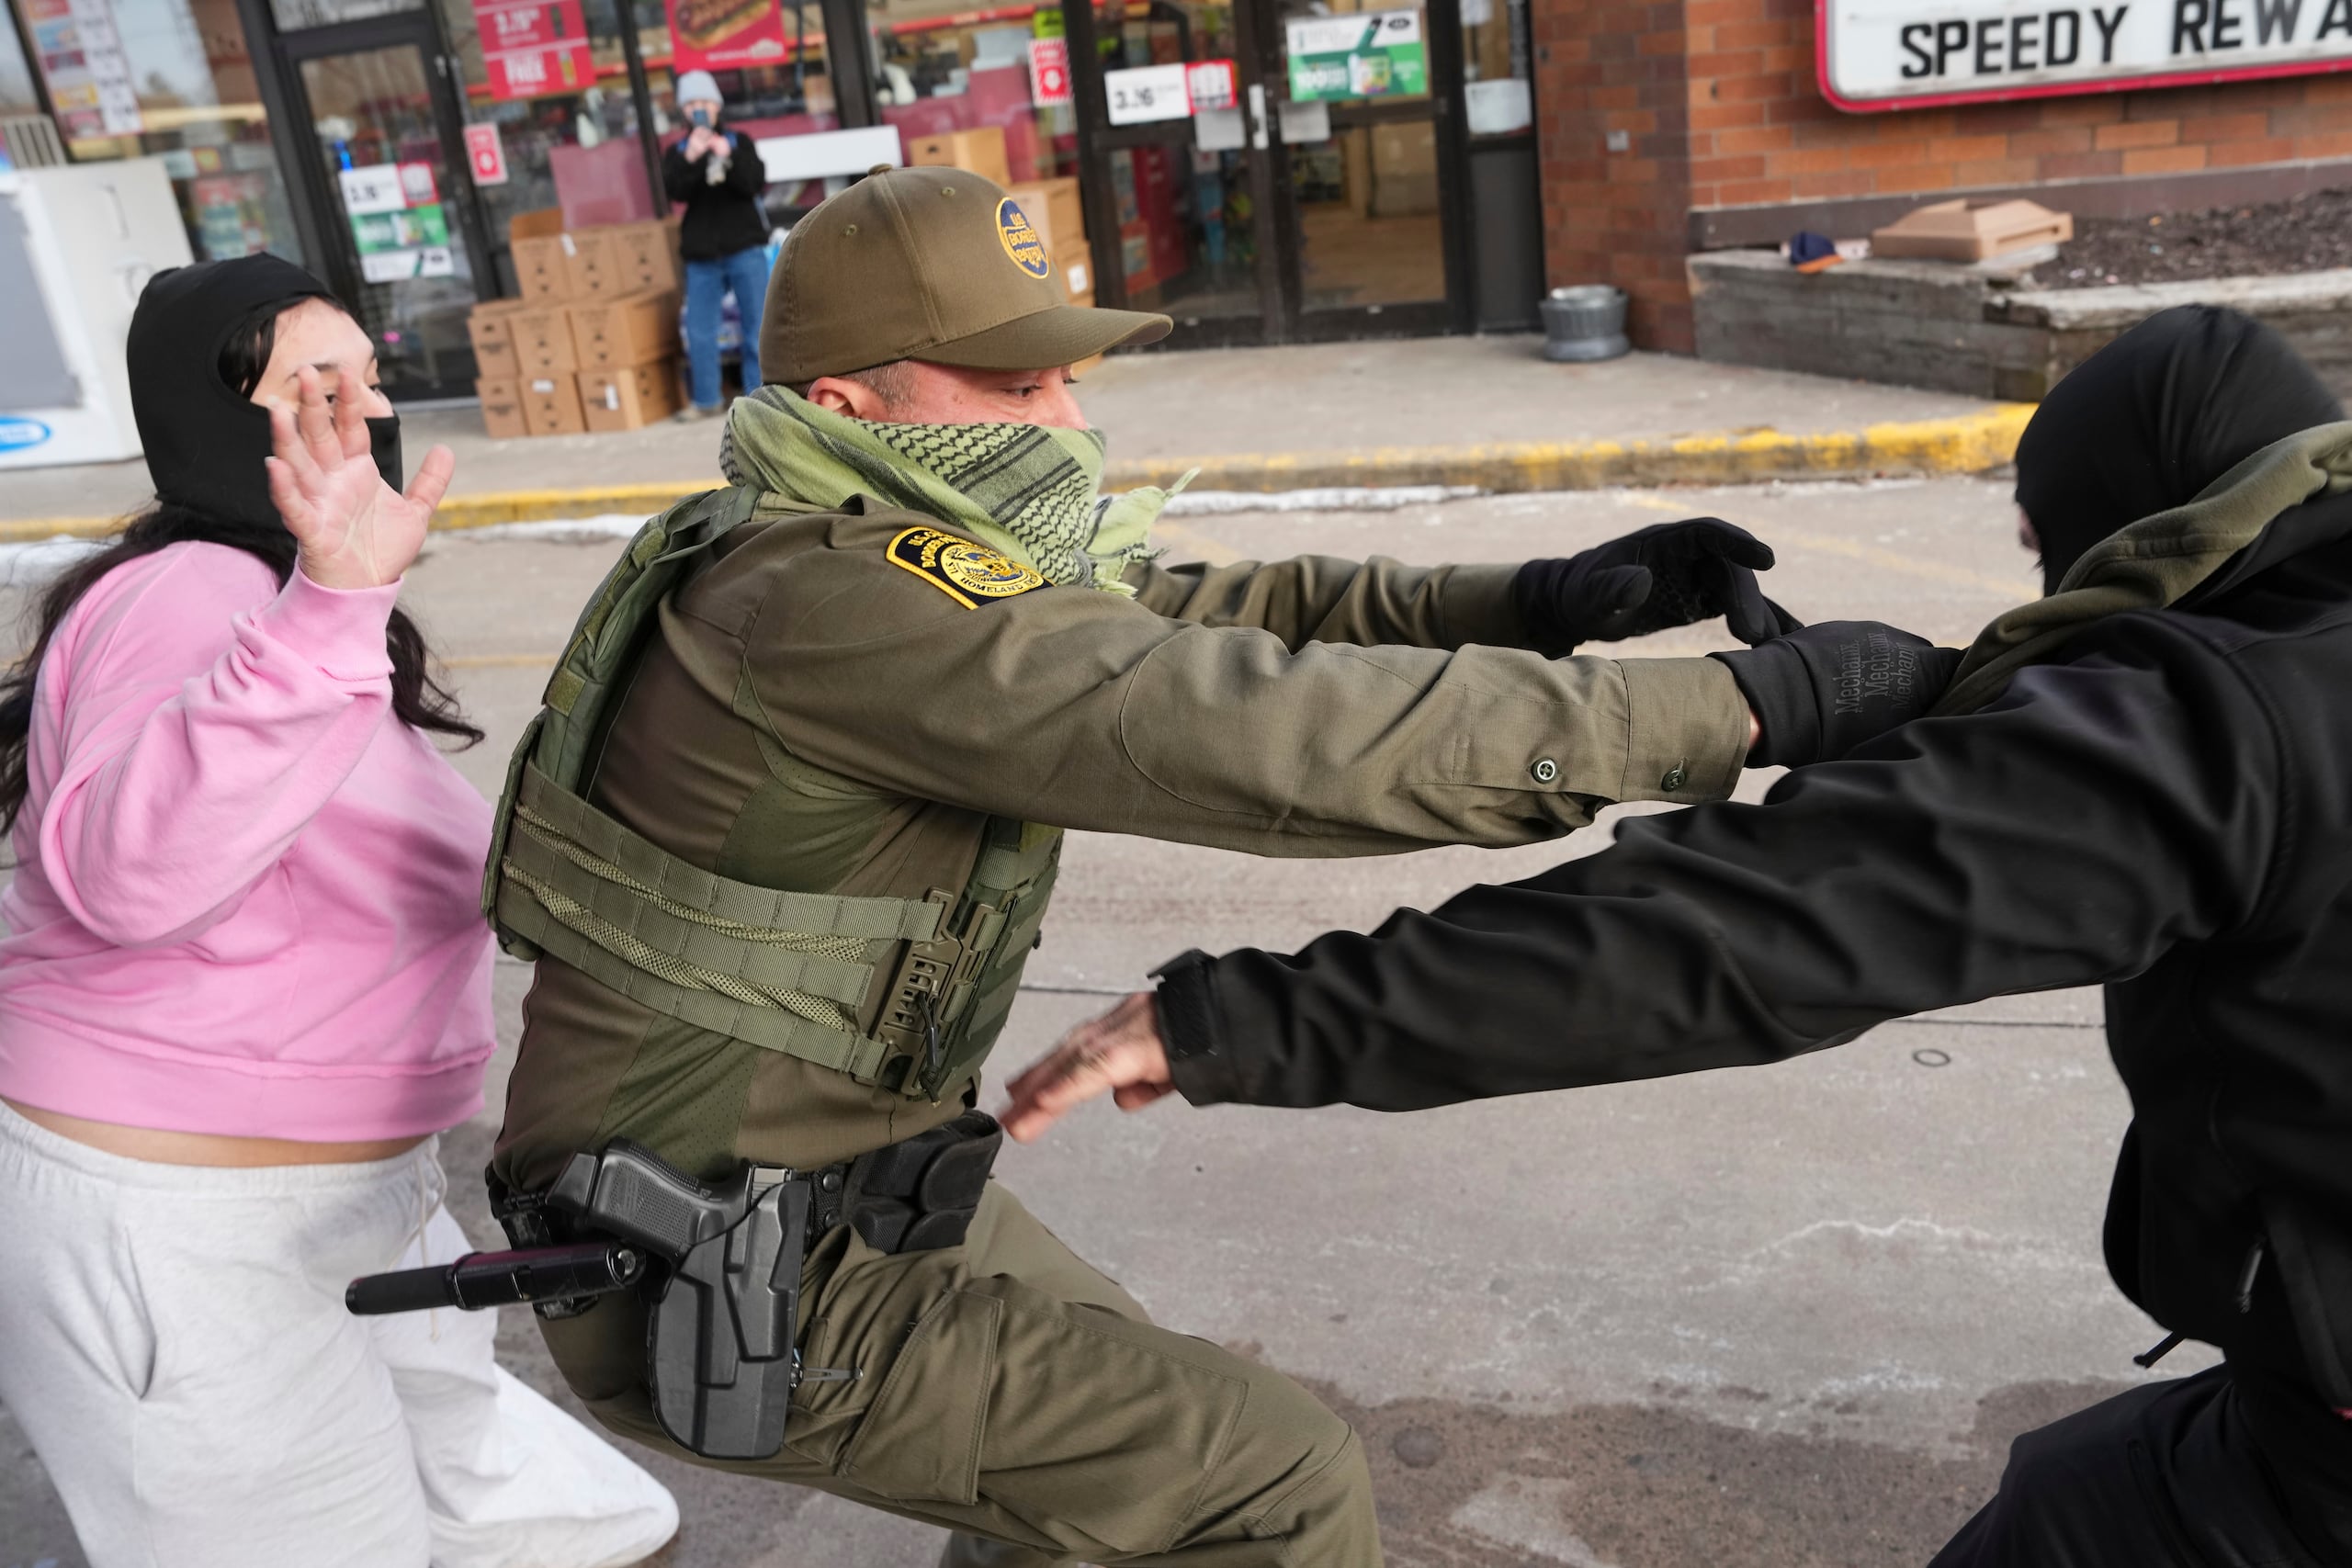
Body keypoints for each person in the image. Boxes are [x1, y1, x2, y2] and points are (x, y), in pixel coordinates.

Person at [481, 164, 1953, 1567]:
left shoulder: (850, 532)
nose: (1061, 419)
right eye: (1011, 385)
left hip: (840, 1186)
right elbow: (1251, 723)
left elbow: (1219, 607)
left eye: (1063, 377)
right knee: (1272, 1482)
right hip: (709, 1252)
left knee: (1112, 1492)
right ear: (847, 404)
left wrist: (1539, 599)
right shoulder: (840, 599)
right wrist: (1739, 709)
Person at [1002, 306, 2352, 1568]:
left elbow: (1741, 927)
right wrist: (1554, 600)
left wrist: (1242, 1019)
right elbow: (1229, 613)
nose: (1068, 415)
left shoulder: (2229, 721)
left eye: (2046, 541)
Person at [0, 256, 679, 1568]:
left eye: (369, 381)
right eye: (314, 389)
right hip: (180, 1221)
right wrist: (334, 605)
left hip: (344, 1195)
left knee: (593, 1525)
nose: (366, 416)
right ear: (216, 419)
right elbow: (130, 870)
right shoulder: (190, 591)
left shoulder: (291, 604)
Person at [664, 68, 771, 419]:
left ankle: (759, 399)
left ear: (717, 105)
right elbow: (675, 190)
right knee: (700, 331)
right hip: (702, 254)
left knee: (758, 326)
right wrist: (691, 158)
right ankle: (706, 400)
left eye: (705, 101)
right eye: (692, 103)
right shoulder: (678, 151)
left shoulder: (740, 142)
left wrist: (728, 155)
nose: (699, 108)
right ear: (683, 110)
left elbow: (754, 183)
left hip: (745, 247)